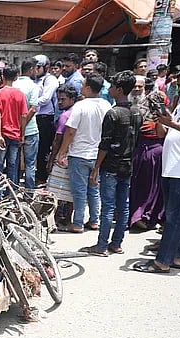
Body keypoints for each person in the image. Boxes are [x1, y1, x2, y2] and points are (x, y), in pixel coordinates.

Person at [79, 71, 141, 256]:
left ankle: (101, 245)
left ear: (119, 89)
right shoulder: (137, 112)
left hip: (111, 166)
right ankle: (116, 243)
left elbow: (105, 144)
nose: (110, 89)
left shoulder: (113, 113)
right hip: (127, 165)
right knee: (123, 207)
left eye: (112, 86)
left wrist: (96, 168)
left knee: (108, 207)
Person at [132, 76, 180, 274]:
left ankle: (162, 262)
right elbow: (163, 134)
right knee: (176, 217)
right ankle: (177, 256)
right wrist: (160, 120)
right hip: (171, 168)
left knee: (175, 218)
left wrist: (170, 124)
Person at [57, 74, 112, 233]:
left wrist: (62, 152)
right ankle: (94, 221)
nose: (81, 87)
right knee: (94, 189)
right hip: (98, 155)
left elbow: (70, 132)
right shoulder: (106, 105)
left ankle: (78, 223)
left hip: (79, 154)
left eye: (83, 84)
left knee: (79, 191)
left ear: (88, 88)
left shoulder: (80, 106)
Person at [130, 72, 175, 231]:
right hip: (149, 153)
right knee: (148, 187)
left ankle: (144, 215)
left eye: (139, 87)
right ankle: (142, 215)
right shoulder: (136, 111)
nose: (136, 90)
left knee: (149, 187)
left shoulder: (154, 115)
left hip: (150, 153)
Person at [47, 86, 79, 227]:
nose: (60, 102)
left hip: (62, 157)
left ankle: (53, 219)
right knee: (71, 191)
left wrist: (52, 159)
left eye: (63, 99)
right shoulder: (78, 112)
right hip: (75, 156)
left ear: (72, 99)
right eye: (58, 99)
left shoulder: (65, 116)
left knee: (56, 190)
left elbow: (57, 140)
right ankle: (67, 218)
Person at [0, 64, 27, 184]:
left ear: (2, 76)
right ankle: (11, 193)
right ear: (16, 77)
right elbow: (24, 115)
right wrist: (22, 134)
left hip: (1, 134)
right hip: (15, 134)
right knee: (12, 165)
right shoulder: (20, 95)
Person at [15, 58, 40, 189]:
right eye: (36, 69)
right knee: (30, 164)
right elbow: (33, 109)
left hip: (13, 130)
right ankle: (29, 193)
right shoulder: (33, 86)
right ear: (31, 69)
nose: (37, 71)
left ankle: (12, 191)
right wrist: (23, 127)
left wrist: (18, 128)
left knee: (14, 162)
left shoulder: (14, 85)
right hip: (30, 130)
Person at [35, 55, 59, 184]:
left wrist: (30, 103)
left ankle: (42, 177)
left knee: (43, 149)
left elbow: (45, 99)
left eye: (38, 67)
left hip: (45, 118)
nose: (35, 69)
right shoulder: (34, 79)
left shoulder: (50, 80)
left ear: (46, 67)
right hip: (34, 116)